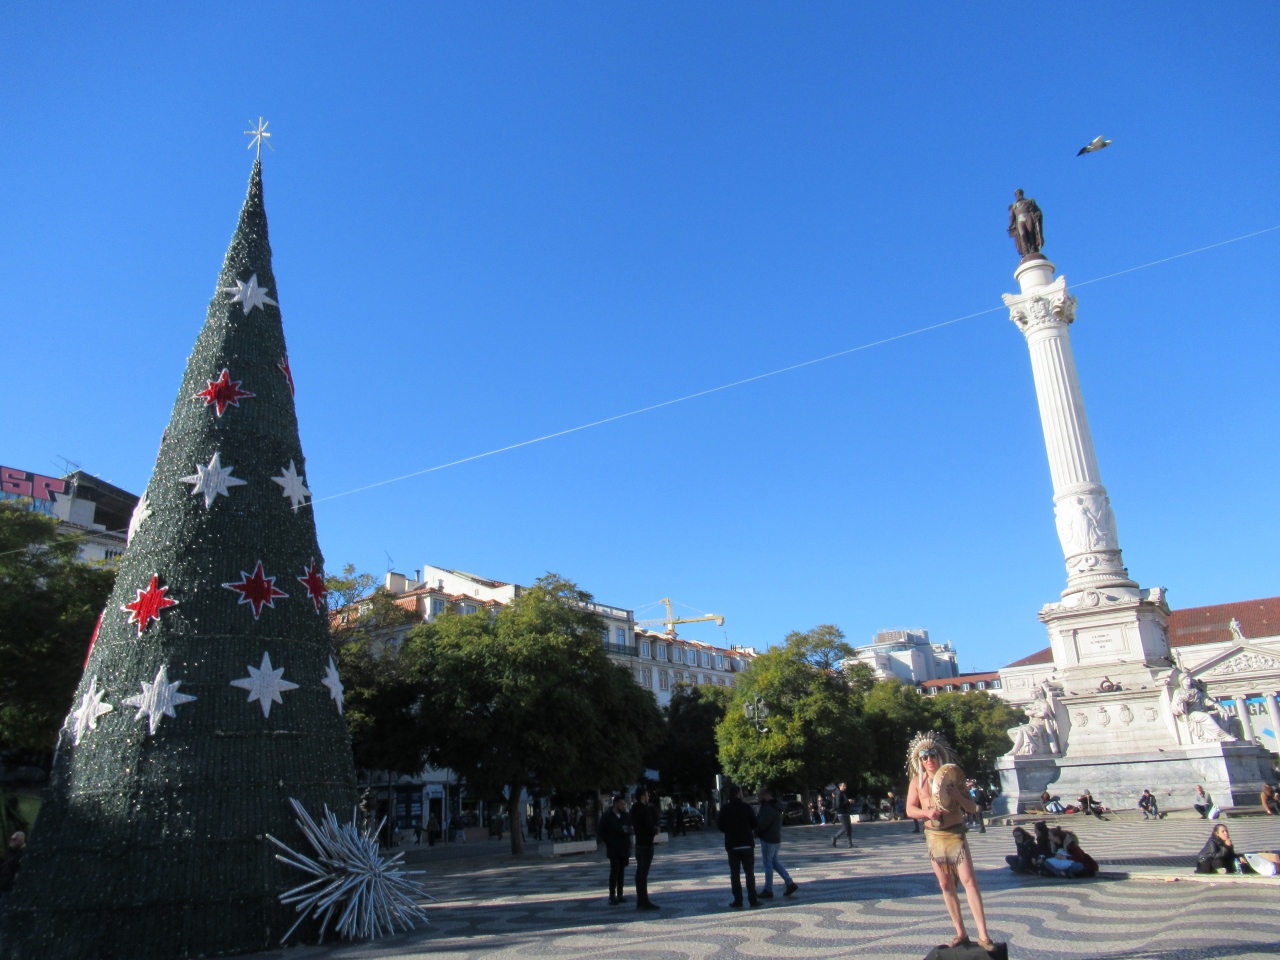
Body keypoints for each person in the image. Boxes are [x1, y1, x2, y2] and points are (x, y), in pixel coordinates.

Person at [905, 730, 994, 951]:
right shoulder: (917, 782)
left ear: (939, 756)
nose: (929, 760)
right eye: (924, 757)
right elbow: (910, 809)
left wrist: (957, 795)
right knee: (945, 884)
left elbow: (972, 807)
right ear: (919, 761)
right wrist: (927, 813)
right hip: (934, 837)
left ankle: (983, 935)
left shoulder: (952, 777)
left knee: (969, 881)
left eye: (932, 755)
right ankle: (960, 932)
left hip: (955, 834)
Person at [717, 784, 760, 908]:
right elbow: (755, 823)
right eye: (741, 792)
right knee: (749, 873)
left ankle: (738, 900)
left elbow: (720, 826)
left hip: (732, 845)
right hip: (747, 844)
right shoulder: (746, 807)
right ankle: (753, 899)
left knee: (735, 875)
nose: (742, 794)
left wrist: (729, 831)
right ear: (737, 794)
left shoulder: (725, 808)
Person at [755, 786, 798, 899]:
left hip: (768, 839)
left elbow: (763, 823)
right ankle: (789, 883)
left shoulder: (768, 807)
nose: (758, 799)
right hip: (775, 838)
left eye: (759, 796)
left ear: (765, 795)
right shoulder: (775, 805)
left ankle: (768, 889)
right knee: (774, 862)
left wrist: (755, 833)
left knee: (768, 864)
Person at [598, 795, 633, 904]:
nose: (623, 806)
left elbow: (631, 828)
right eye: (621, 804)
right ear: (615, 804)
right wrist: (609, 841)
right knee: (614, 871)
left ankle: (620, 894)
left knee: (621, 872)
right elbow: (601, 832)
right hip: (613, 849)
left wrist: (629, 831)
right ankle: (612, 895)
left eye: (624, 804)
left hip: (624, 847)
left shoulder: (626, 816)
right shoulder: (607, 816)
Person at [630, 787, 660, 910]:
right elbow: (649, 827)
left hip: (639, 844)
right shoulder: (644, 809)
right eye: (647, 795)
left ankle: (640, 899)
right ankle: (644, 901)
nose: (648, 797)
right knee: (643, 874)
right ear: (643, 796)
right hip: (646, 844)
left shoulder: (633, 809)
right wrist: (655, 830)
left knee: (639, 873)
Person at [0, 831, 25, 897]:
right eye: (11, 839)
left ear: (21, 841)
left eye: (14, 839)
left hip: (11, 889)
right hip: (5, 887)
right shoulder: (11, 853)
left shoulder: (22, 854)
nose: (11, 841)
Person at [831, 782, 853, 849]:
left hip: (846, 812)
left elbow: (845, 803)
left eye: (845, 786)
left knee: (849, 828)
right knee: (845, 828)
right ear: (840, 787)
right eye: (843, 786)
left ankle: (850, 843)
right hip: (841, 813)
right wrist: (847, 801)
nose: (845, 787)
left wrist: (849, 802)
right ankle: (835, 837)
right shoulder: (839, 794)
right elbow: (838, 805)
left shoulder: (843, 793)